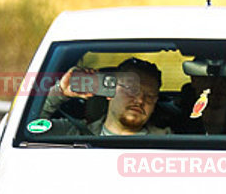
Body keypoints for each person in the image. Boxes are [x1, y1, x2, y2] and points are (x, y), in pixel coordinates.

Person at [40, 57, 171, 136]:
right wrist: (59, 91)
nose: (140, 100)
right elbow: (25, 126)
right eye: (131, 90)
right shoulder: (74, 133)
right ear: (109, 90)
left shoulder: (168, 142)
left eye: (150, 96)